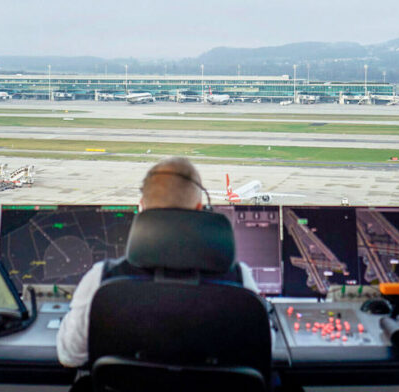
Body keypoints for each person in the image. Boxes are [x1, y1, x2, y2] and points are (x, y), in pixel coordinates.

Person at [56, 156, 260, 368]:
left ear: (142, 208)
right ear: (199, 209)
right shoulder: (240, 281)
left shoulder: (102, 279)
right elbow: (266, 350)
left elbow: (70, 356)